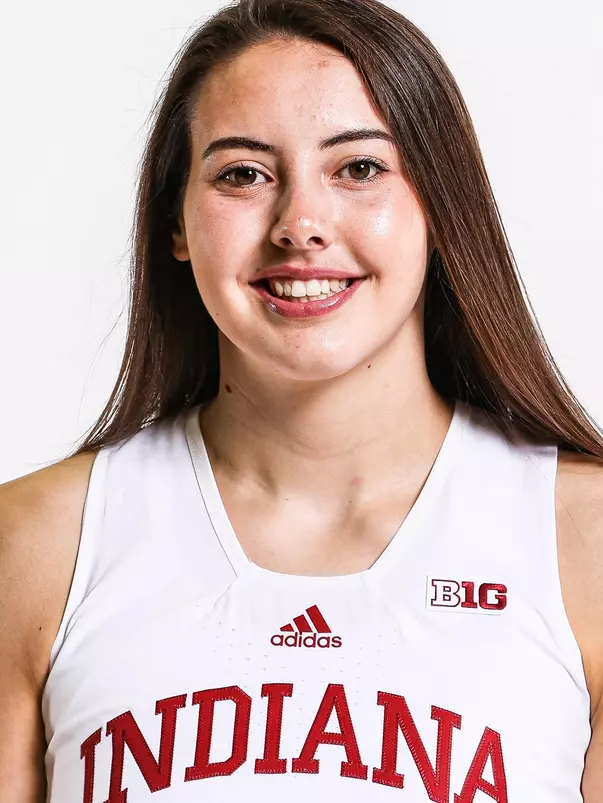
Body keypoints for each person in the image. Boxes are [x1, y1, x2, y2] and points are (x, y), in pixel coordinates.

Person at [1, 0, 602, 800]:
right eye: (242, 174)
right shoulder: (36, 547)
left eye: (359, 168)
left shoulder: (583, 548)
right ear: (173, 222)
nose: (301, 224)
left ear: (439, 207)